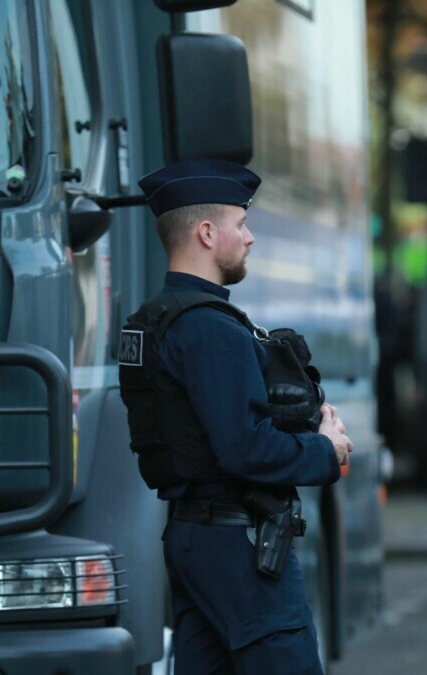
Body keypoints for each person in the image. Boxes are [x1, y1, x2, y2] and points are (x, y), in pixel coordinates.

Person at [119, 158, 353, 674]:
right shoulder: (211, 330)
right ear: (206, 233)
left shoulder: (155, 320)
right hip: (240, 546)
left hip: (192, 537)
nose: (249, 238)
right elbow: (245, 447)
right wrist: (326, 449)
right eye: (240, 224)